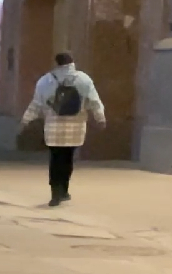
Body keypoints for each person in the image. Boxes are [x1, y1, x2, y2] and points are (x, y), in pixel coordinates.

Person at [21, 51, 108, 206]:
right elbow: (94, 101)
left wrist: (26, 119)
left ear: (57, 63)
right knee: (68, 158)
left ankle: (55, 192)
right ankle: (64, 190)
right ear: (72, 62)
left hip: (53, 126)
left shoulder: (45, 81)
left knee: (55, 159)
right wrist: (100, 118)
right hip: (75, 126)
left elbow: (36, 104)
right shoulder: (83, 79)